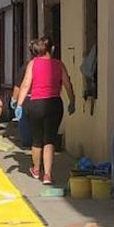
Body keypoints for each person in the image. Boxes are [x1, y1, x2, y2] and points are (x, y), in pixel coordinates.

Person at [13, 36, 76, 187]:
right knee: (49, 139)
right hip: (54, 103)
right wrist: (72, 101)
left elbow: (26, 84)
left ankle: (36, 169)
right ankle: (47, 174)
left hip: (35, 104)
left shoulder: (33, 64)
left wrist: (19, 104)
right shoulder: (59, 64)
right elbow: (67, 85)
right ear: (52, 49)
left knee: (37, 139)